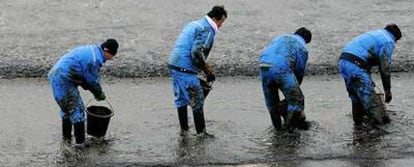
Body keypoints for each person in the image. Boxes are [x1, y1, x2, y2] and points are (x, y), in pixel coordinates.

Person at [168, 6, 227, 137]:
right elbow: (196, 52)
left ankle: (184, 130)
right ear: (214, 19)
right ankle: (201, 133)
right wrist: (208, 71)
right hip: (185, 67)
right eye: (221, 22)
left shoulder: (194, 24)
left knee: (181, 99)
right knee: (198, 99)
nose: (221, 26)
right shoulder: (207, 29)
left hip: (173, 64)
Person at [48, 39, 119, 148]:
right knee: (78, 111)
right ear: (108, 51)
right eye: (113, 55)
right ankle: (80, 144)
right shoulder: (95, 60)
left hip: (56, 75)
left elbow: (82, 74)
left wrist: (85, 85)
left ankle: (66, 139)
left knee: (66, 110)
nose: (112, 58)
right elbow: (91, 81)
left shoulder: (93, 50)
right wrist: (98, 94)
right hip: (64, 79)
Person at [338, 24, 402, 126]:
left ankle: (358, 127)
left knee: (356, 99)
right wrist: (387, 91)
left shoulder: (376, 34)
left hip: (343, 62)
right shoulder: (388, 41)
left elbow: (366, 55)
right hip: (356, 66)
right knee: (374, 106)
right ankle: (380, 129)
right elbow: (384, 69)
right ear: (395, 37)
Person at [259, 27, 312, 131]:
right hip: (280, 67)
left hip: (263, 66)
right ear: (306, 40)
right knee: (297, 100)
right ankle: (288, 131)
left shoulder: (280, 38)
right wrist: (294, 92)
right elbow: (299, 72)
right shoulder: (302, 47)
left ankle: (277, 129)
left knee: (272, 103)